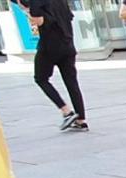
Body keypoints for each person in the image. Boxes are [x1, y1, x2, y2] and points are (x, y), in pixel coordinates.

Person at [26, 0, 88, 131]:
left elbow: (38, 20)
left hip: (50, 47)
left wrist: (26, 10)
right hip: (68, 44)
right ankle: (81, 120)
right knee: (72, 83)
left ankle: (66, 111)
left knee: (41, 79)